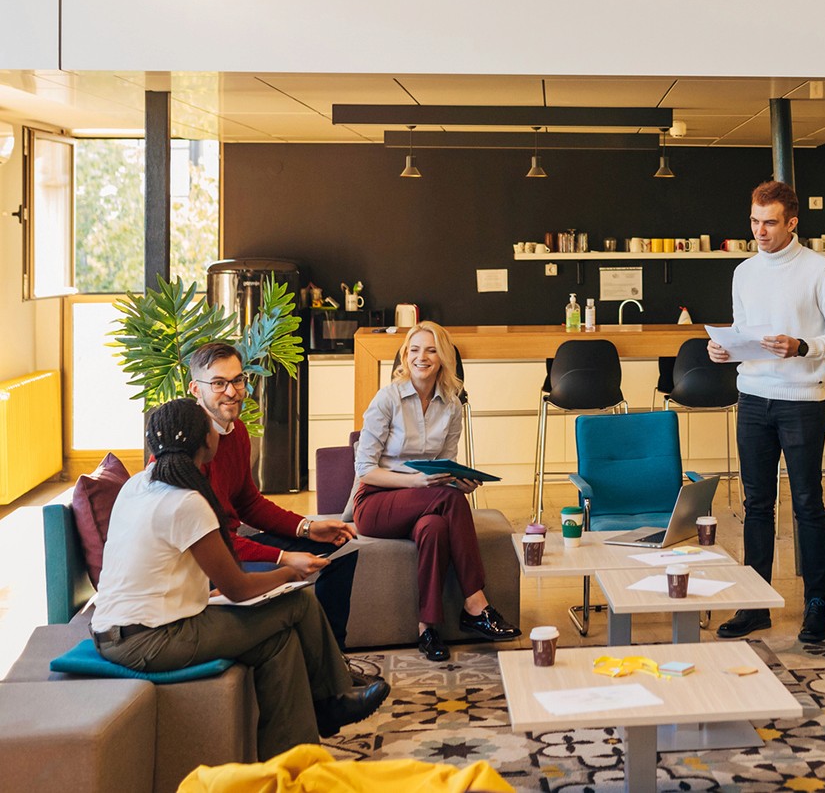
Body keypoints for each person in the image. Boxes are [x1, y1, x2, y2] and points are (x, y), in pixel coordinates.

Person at [91, 399, 389, 759]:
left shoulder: (140, 484)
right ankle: (331, 699)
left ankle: (291, 761)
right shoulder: (186, 501)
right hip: (149, 640)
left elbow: (167, 566)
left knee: (278, 643)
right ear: (205, 443)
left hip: (118, 631)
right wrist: (290, 573)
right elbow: (237, 588)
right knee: (298, 601)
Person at [708, 180, 825, 642]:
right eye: (754, 221)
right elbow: (742, 333)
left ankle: (814, 607)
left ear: (792, 222)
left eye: (769, 222)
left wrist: (803, 345)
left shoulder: (821, 269)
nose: (760, 231)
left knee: (808, 504)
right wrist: (724, 350)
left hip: (802, 401)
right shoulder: (744, 271)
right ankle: (756, 603)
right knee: (756, 505)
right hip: (751, 398)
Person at [353, 321, 521, 661]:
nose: (421, 357)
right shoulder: (387, 399)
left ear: (443, 357)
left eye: (430, 350)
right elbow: (365, 471)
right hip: (376, 503)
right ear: (404, 355)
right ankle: (475, 604)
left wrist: (461, 481)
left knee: (436, 526)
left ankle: (427, 628)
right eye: (414, 350)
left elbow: (445, 466)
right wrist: (418, 482)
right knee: (447, 498)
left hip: (427, 502)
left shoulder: (452, 406)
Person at [189, 342, 362, 653]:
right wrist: (283, 558)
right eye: (218, 383)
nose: (232, 391)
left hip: (233, 545)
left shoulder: (237, 431)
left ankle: (334, 659)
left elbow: (249, 503)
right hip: (210, 565)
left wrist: (309, 527)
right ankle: (323, 668)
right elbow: (209, 541)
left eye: (237, 380)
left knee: (340, 551)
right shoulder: (187, 451)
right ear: (195, 389)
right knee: (297, 571)